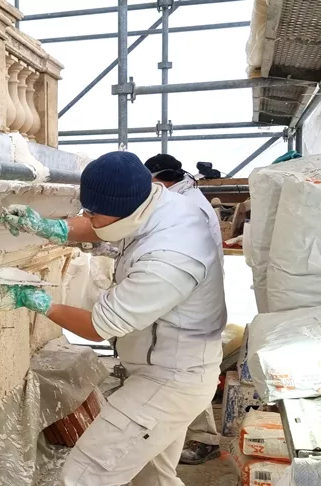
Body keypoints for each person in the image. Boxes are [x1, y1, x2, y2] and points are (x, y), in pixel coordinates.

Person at [0, 151, 226, 485]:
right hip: (165, 368)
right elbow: (102, 224)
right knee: (154, 478)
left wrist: (33, 299)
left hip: (172, 380)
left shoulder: (170, 259)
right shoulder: (156, 202)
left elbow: (99, 326)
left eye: (94, 213)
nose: (87, 218)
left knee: (84, 475)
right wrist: (50, 227)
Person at [144, 153, 224, 465]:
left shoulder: (186, 205)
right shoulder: (186, 195)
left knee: (189, 365)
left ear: (158, 180)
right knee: (187, 364)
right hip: (194, 289)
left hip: (191, 293)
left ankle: (205, 438)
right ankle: (181, 433)